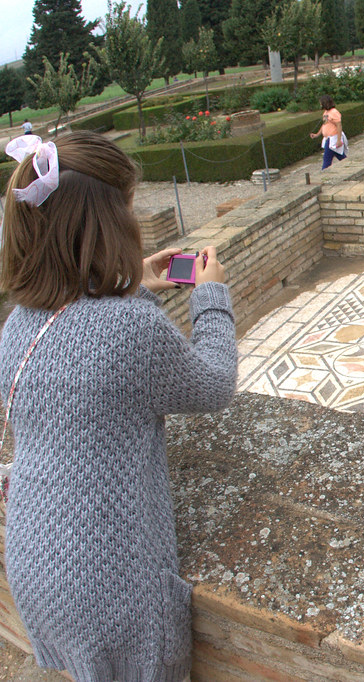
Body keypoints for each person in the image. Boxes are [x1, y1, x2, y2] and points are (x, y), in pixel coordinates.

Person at [0, 131, 237, 681]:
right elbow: (214, 384)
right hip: (109, 585)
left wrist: (134, 283)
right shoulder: (128, 328)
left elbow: (86, 368)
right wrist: (211, 297)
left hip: (36, 562)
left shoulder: (17, 325)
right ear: (111, 222)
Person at [309, 95, 347, 170]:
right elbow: (325, 124)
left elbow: (339, 126)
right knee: (340, 156)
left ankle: (324, 173)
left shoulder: (334, 112)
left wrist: (339, 140)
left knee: (326, 160)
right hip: (328, 138)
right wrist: (317, 134)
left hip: (333, 139)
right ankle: (349, 166)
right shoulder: (326, 112)